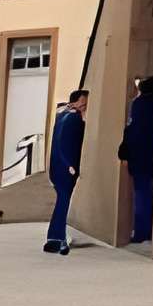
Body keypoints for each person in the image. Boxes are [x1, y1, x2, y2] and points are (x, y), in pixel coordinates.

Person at [44, 88, 88, 255]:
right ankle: (59, 238)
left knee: (61, 202)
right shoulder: (74, 118)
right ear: (77, 102)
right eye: (83, 103)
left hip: (58, 167)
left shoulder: (62, 115)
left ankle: (53, 238)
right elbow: (66, 144)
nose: (85, 107)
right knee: (64, 203)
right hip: (67, 168)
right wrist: (70, 165)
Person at [118, 74, 153, 245]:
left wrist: (124, 152)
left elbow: (131, 130)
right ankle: (152, 230)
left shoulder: (139, 104)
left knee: (142, 194)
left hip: (139, 156)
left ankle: (142, 232)